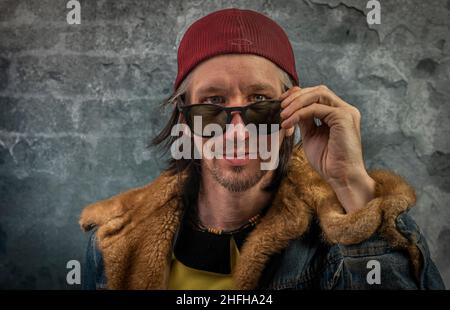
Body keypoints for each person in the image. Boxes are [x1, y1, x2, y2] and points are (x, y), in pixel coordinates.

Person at [79, 8, 444, 290]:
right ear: (185, 122)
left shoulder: (336, 237)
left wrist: (350, 184)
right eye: (212, 106)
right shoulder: (116, 241)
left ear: (294, 113)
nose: (238, 131)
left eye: (261, 104)